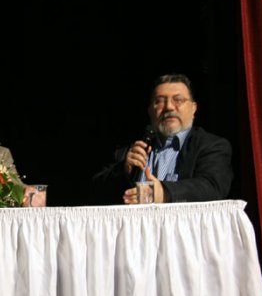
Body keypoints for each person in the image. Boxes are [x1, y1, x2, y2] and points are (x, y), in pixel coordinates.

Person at [92, 74, 233, 204]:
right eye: (159, 101)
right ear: (150, 110)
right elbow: (96, 191)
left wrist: (164, 193)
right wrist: (123, 171)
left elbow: (213, 187)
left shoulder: (212, 146)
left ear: (193, 108)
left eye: (178, 100)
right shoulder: (130, 151)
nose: (169, 107)